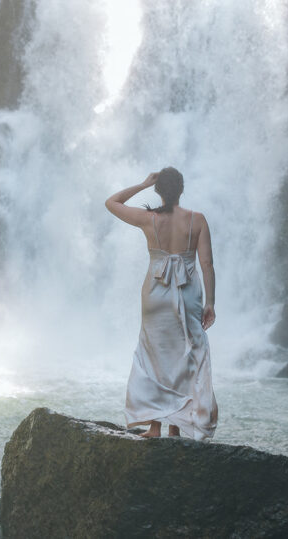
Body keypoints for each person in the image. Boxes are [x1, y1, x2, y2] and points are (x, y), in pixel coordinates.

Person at [105, 167, 218, 440]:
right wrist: (211, 303)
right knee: (186, 354)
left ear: (159, 190)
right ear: (181, 189)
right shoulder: (198, 220)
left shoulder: (149, 218)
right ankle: (175, 429)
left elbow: (112, 202)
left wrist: (144, 183)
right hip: (188, 293)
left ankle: (155, 427)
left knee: (153, 354)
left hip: (155, 292)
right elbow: (207, 264)